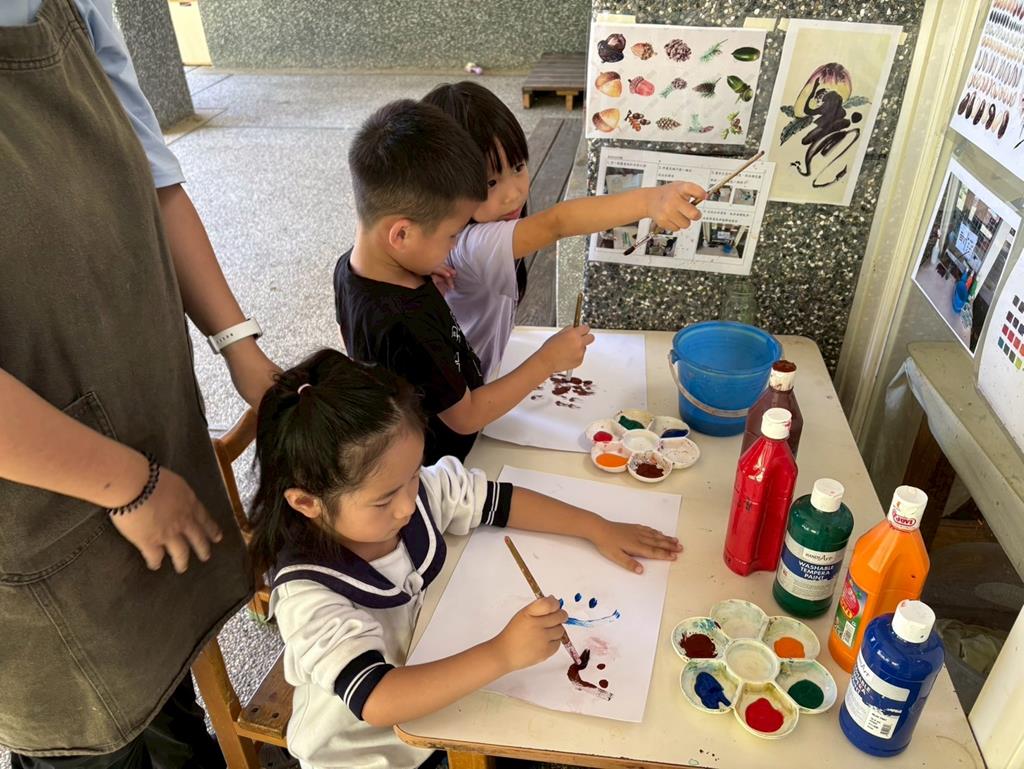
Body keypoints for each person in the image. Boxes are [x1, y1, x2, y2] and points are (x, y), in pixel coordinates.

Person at [0, 0, 278, 765]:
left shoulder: (77, 10)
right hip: (36, 497)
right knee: (90, 725)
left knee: (162, 677)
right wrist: (128, 484)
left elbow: (158, 185)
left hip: (139, 419)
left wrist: (240, 347)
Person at [248, 349, 683, 769]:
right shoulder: (308, 596)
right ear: (307, 503)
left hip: (446, 706)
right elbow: (377, 699)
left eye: (413, 474)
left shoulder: (407, 493)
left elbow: (496, 500)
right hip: (369, 755)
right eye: (384, 501)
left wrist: (596, 527)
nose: (408, 504)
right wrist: (502, 654)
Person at [333, 99, 594, 465]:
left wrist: (426, 275)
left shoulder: (354, 268)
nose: (454, 248)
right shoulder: (406, 322)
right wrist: (547, 360)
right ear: (401, 234)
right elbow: (467, 416)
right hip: (441, 469)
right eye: (453, 235)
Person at [422, 81, 706, 380]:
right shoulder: (471, 245)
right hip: (459, 391)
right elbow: (557, 223)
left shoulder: (469, 233)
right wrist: (649, 201)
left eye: (518, 167)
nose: (513, 194)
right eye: (490, 183)